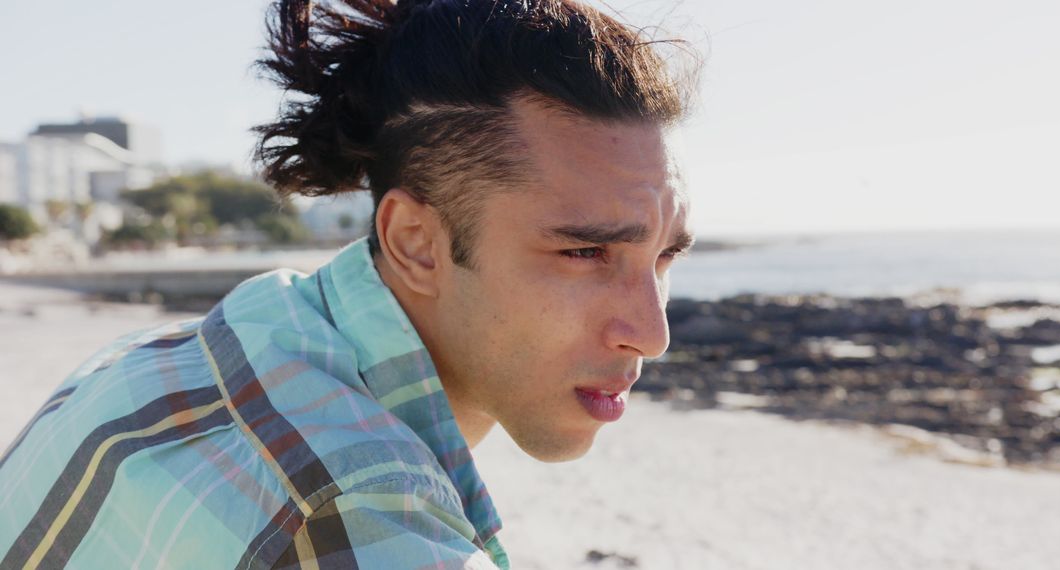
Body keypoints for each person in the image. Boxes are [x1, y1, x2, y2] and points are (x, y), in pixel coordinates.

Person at [0, 0, 696, 567]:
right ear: (415, 243)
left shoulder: (155, 360)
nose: (652, 335)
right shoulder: (361, 526)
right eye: (585, 253)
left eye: (665, 257)